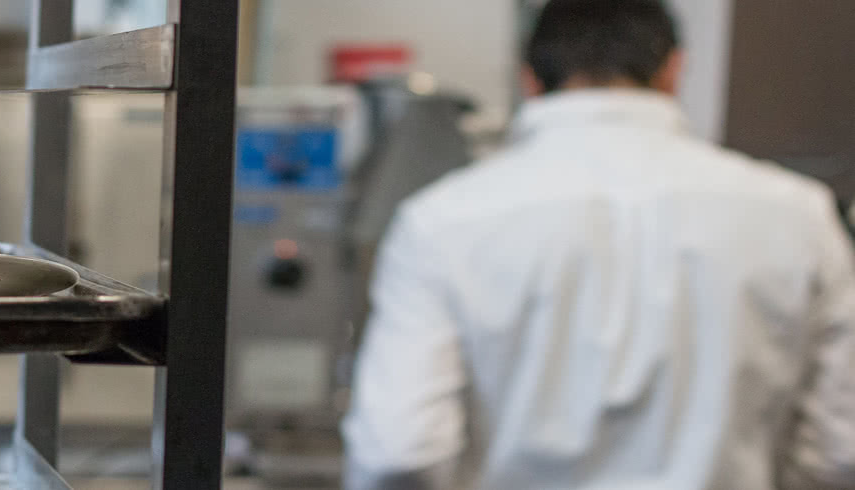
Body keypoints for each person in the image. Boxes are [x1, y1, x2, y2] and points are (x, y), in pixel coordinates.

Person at [341, 1, 855, 489]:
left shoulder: (441, 222)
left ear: (530, 81)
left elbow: (397, 454)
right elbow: (839, 451)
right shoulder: (798, 215)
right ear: (674, 71)